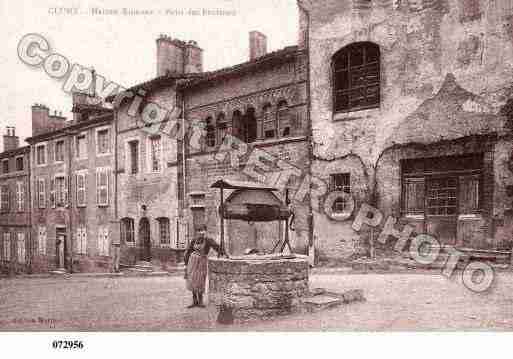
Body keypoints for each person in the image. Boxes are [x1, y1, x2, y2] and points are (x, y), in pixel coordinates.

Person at [184, 225, 224, 308]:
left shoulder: (208, 240)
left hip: (202, 261)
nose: (201, 232)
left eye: (202, 230)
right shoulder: (194, 240)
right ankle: (194, 301)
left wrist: (223, 252)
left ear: (205, 231)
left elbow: (217, 247)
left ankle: (201, 300)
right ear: (196, 232)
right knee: (192, 279)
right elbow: (188, 251)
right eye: (199, 231)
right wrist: (186, 264)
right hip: (192, 261)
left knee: (201, 279)